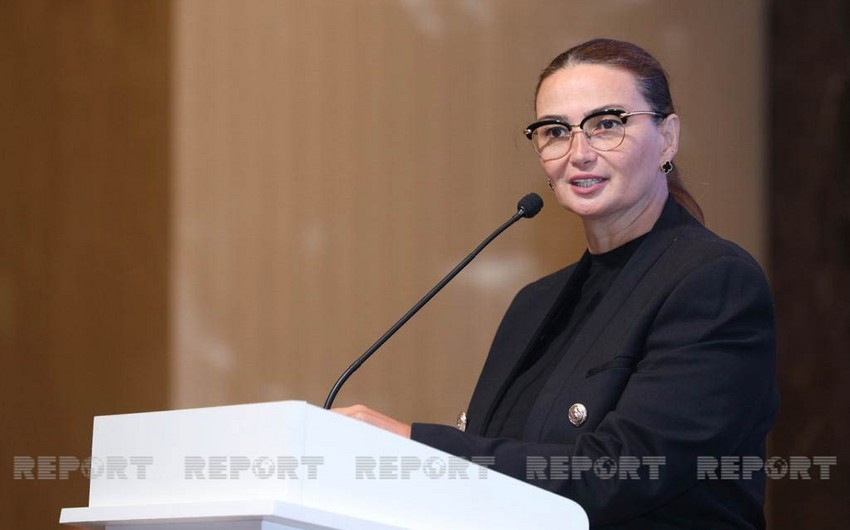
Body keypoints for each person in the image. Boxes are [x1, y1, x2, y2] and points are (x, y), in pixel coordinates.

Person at [335, 38, 778, 529]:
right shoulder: (533, 304)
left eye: (606, 124)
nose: (578, 153)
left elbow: (624, 471)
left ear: (667, 138)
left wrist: (416, 445)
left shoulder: (712, 282)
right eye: (555, 131)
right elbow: (501, 480)